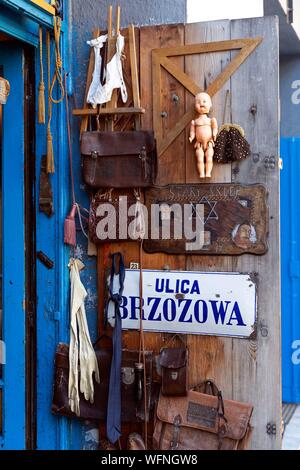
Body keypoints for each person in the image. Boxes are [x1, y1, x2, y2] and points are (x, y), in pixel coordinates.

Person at [189, 92, 218, 178]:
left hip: (209, 143)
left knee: (209, 158)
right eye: (198, 102)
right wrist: (191, 137)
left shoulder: (211, 120)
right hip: (199, 144)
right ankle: (202, 173)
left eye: (204, 101)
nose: (201, 103)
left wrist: (214, 133)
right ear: (195, 106)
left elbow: (215, 128)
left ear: (210, 105)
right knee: (200, 158)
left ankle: (208, 172)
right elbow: (192, 131)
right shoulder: (195, 121)